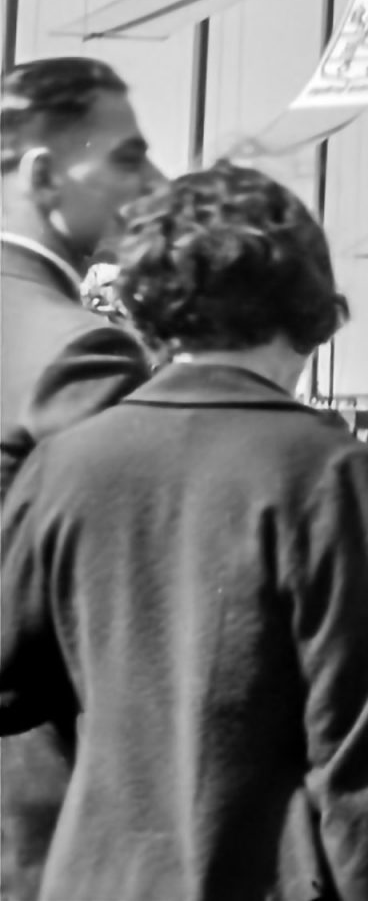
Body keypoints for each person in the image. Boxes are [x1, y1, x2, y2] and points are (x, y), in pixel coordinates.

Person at [0, 163, 368, 900]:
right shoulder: (327, 471)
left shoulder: (66, 461)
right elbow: (353, 742)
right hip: (257, 870)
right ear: (310, 307)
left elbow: (10, 683)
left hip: (92, 875)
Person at [0, 58, 164, 900]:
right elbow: (132, 598)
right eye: (129, 158)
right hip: (33, 779)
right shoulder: (79, 349)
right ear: (43, 174)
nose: (151, 183)